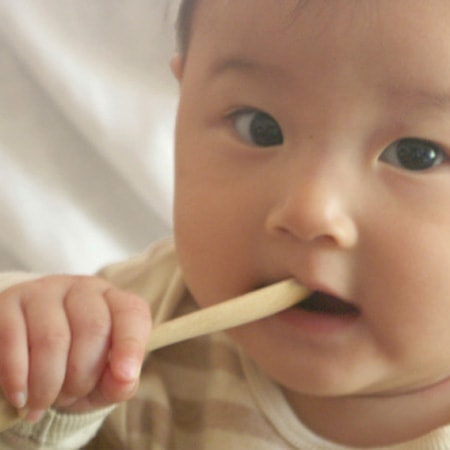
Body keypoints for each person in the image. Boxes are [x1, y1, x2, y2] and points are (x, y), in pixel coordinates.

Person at [3, 0, 450, 448]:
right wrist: (41, 385)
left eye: (417, 154)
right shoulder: (138, 325)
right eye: (260, 128)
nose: (310, 212)